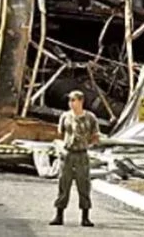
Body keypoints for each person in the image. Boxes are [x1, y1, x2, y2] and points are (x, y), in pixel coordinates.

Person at [50, 90, 99, 227]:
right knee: (63, 184)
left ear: (81, 101)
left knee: (83, 185)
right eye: (70, 100)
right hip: (67, 154)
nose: (71, 103)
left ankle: (85, 217)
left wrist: (86, 143)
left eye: (73, 100)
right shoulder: (65, 116)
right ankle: (59, 215)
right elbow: (61, 133)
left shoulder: (90, 117)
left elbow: (95, 136)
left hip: (82, 154)